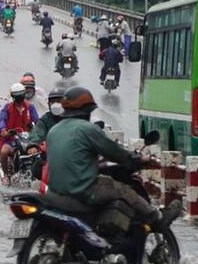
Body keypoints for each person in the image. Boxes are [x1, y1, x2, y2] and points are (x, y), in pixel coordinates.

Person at [47, 87, 182, 232]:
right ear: (87, 110)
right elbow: (114, 152)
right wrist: (137, 159)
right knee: (123, 190)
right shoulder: (87, 129)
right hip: (82, 189)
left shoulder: (53, 130)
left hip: (55, 192)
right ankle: (157, 218)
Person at [0, 83, 39, 183]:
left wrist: (38, 130)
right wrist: (4, 130)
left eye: (21, 95)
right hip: (11, 139)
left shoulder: (30, 107)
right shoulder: (7, 107)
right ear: (13, 96)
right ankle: (6, 175)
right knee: (4, 152)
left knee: (39, 152)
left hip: (28, 139)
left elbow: (37, 121)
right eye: (17, 96)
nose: (19, 98)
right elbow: (2, 120)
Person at [26, 87, 65, 153]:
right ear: (48, 104)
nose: (56, 105)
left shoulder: (72, 117)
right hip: (50, 153)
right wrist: (33, 145)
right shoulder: (45, 119)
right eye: (52, 102)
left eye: (59, 101)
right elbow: (37, 133)